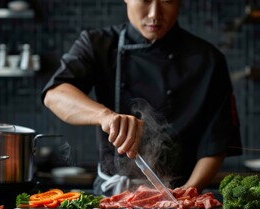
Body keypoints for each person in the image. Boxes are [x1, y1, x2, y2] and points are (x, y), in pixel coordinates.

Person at [41, 0, 242, 196]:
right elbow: (55, 94)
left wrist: (190, 190)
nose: (154, 14)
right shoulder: (98, 44)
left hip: (179, 195)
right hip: (112, 197)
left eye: (167, 1)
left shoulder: (208, 59)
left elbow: (217, 142)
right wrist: (105, 116)